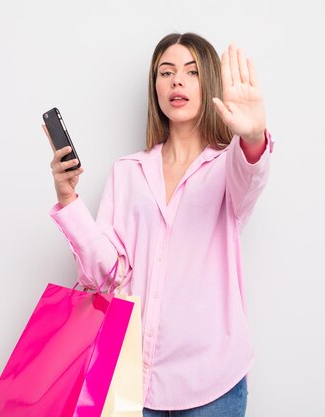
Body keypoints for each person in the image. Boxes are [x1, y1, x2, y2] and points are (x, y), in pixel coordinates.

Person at [44, 32, 274, 417]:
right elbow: (108, 273)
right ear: (155, 89)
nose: (177, 81)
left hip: (211, 382)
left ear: (210, 84)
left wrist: (251, 136)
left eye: (191, 72)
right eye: (165, 72)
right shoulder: (128, 171)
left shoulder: (228, 165)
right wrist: (69, 200)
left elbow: (251, 174)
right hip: (127, 377)